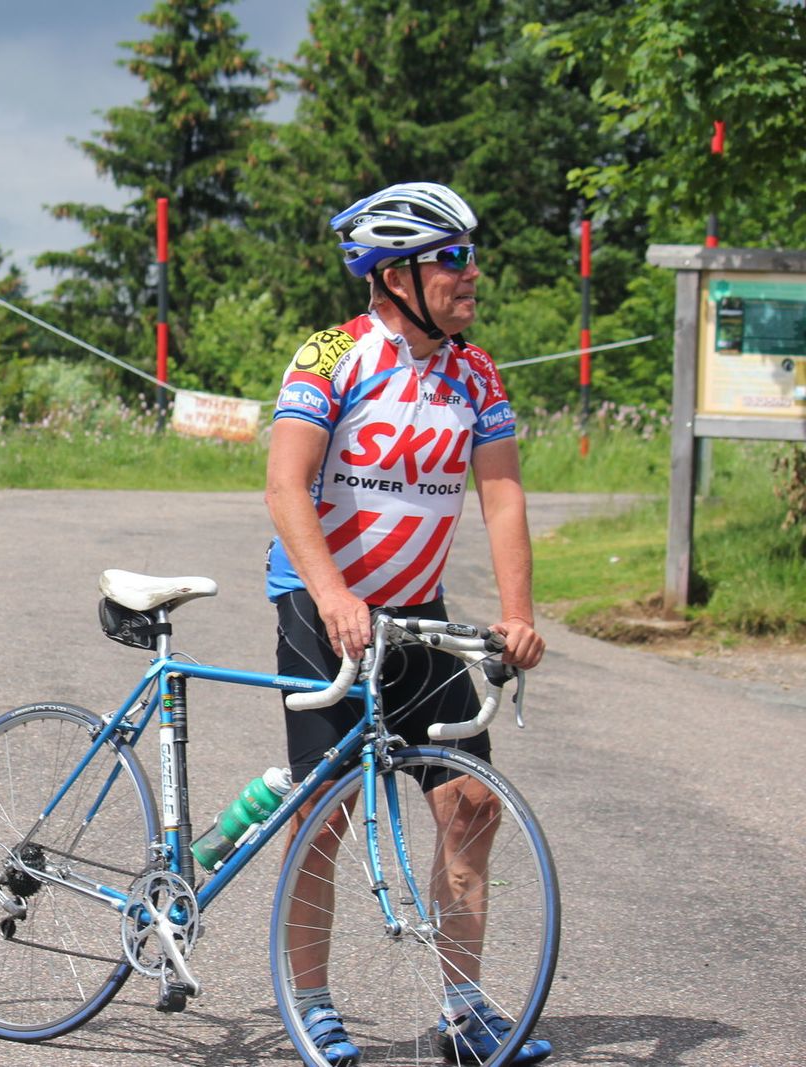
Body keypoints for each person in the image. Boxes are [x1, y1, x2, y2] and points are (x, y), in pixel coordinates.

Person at [263, 182, 552, 1066]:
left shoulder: (477, 372)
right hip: (321, 603)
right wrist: (332, 593)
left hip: (415, 611)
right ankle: (311, 1002)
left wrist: (517, 614)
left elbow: (501, 495)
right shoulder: (330, 355)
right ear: (395, 276)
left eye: (471, 255)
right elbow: (285, 485)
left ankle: (462, 1011)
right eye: (452, 258)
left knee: (471, 804)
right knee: (325, 810)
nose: (472, 274)